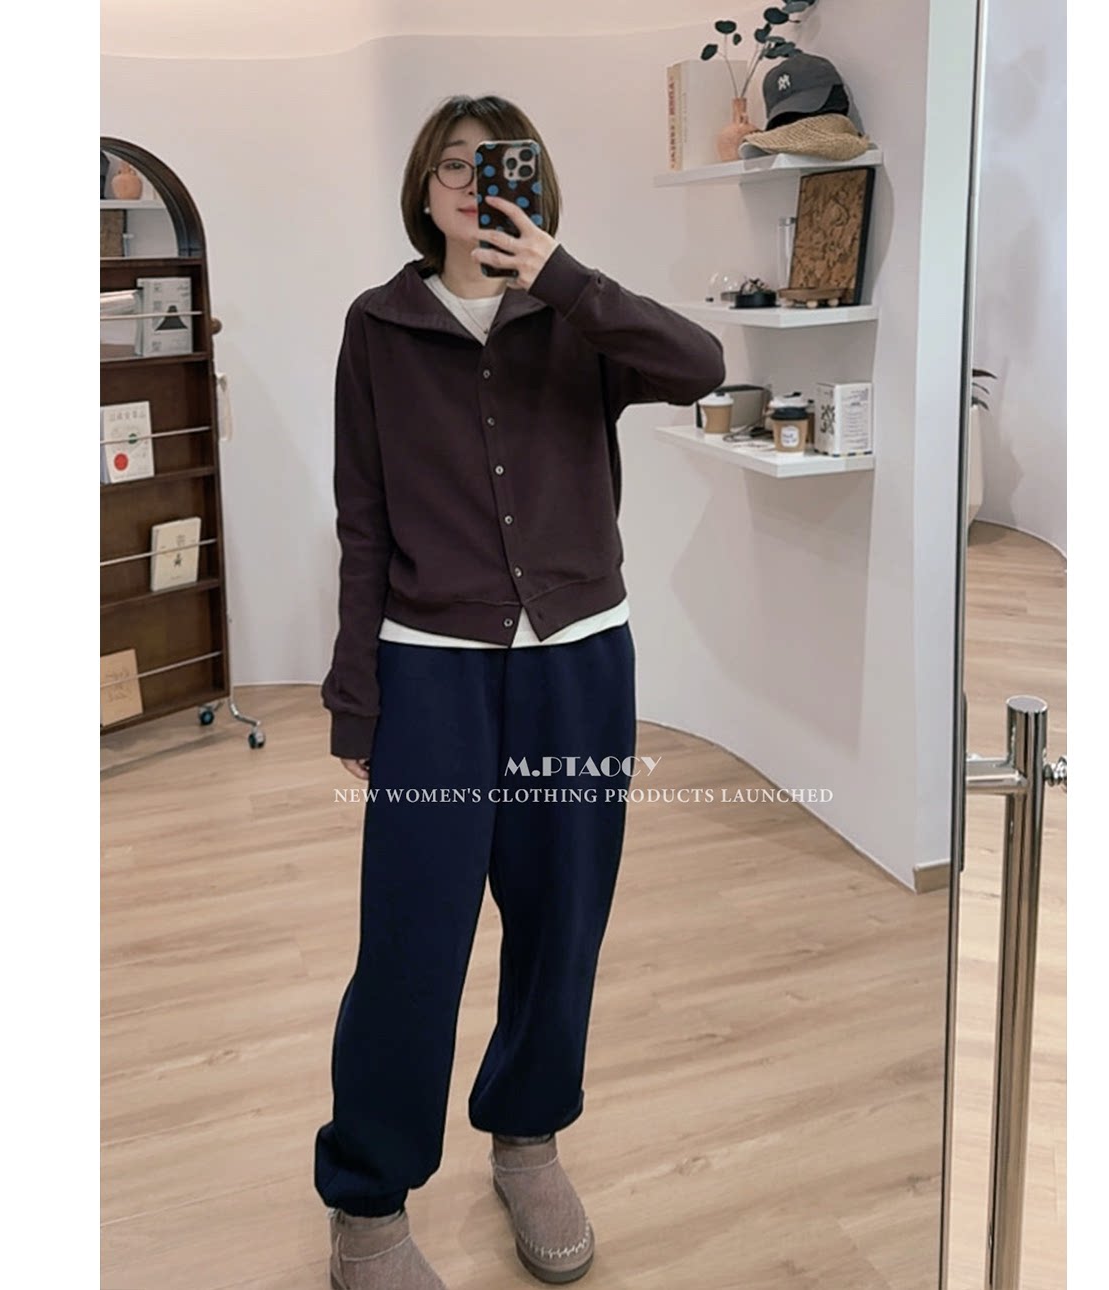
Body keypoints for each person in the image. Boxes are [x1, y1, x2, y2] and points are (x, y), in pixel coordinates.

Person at [313, 94, 725, 1290]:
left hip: (579, 666)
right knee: (412, 940)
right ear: (422, 187)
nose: (471, 184)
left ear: (531, 185)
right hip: (432, 674)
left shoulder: (575, 315)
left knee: (561, 924)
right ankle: (368, 1202)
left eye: (495, 166)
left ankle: (529, 1138)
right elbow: (362, 518)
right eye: (451, 166)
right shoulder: (379, 326)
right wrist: (355, 693)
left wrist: (565, 278)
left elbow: (700, 366)